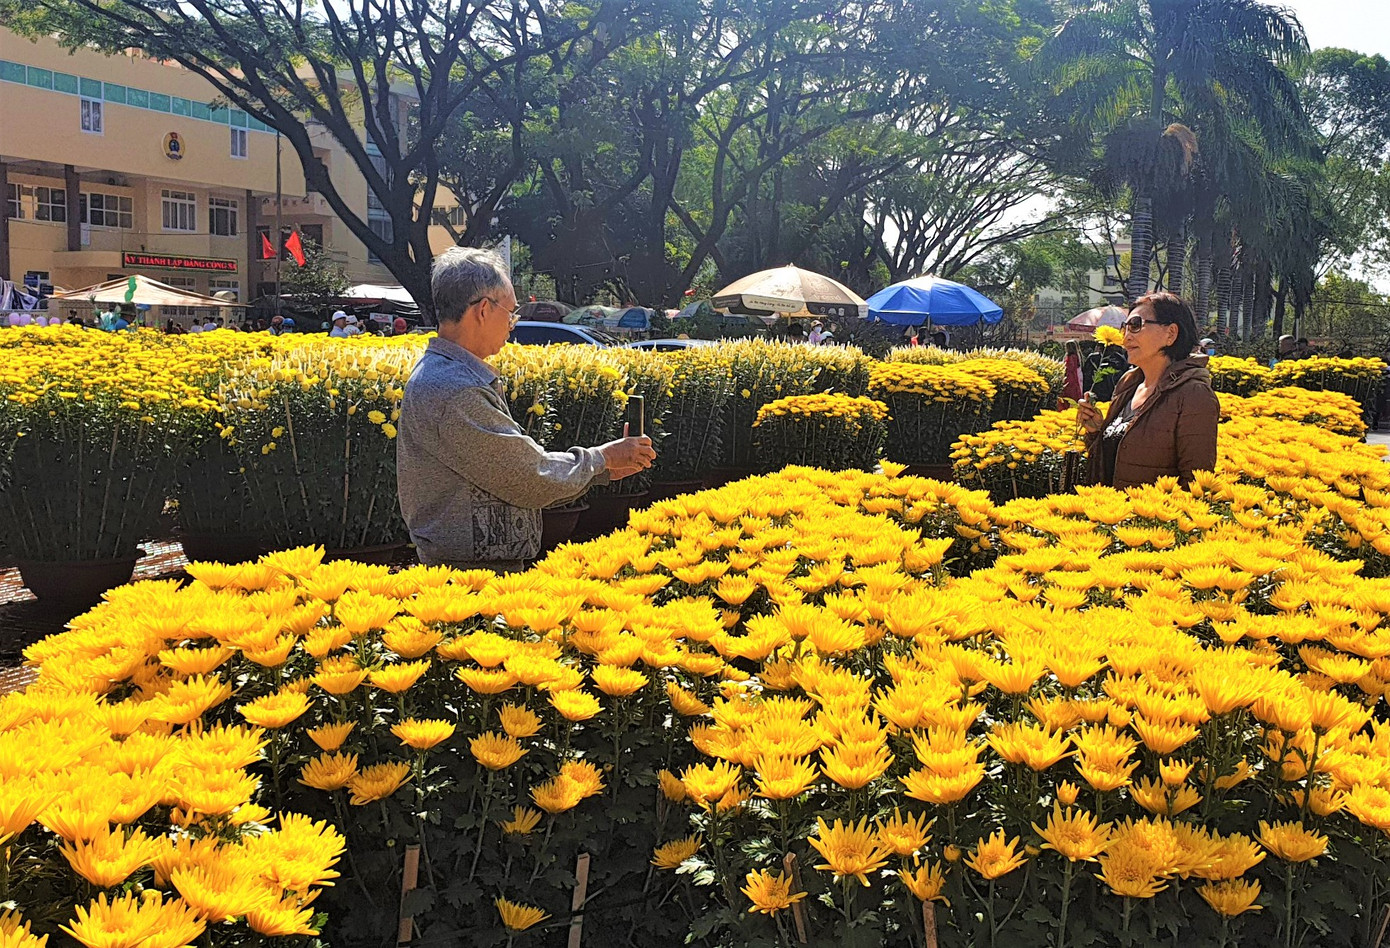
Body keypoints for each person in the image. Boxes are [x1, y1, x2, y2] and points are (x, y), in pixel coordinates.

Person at [397, 246, 656, 570]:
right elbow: (529, 476)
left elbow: (514, 477)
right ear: (483, 310)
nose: (513, 324)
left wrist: (600, 471)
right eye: (511, 313)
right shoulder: (455, 390)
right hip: (472, 582)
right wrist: (602, 459)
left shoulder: (449, 376)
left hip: (471, 573)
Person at [1076, 292, 1219, 489]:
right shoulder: (1128, 385)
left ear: (1170, 334)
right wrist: (1096, 431)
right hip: (1108, 515)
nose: (1125, 338)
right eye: (1124, 328)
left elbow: (1196, 485)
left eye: (1135, 325)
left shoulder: (1194, 394)